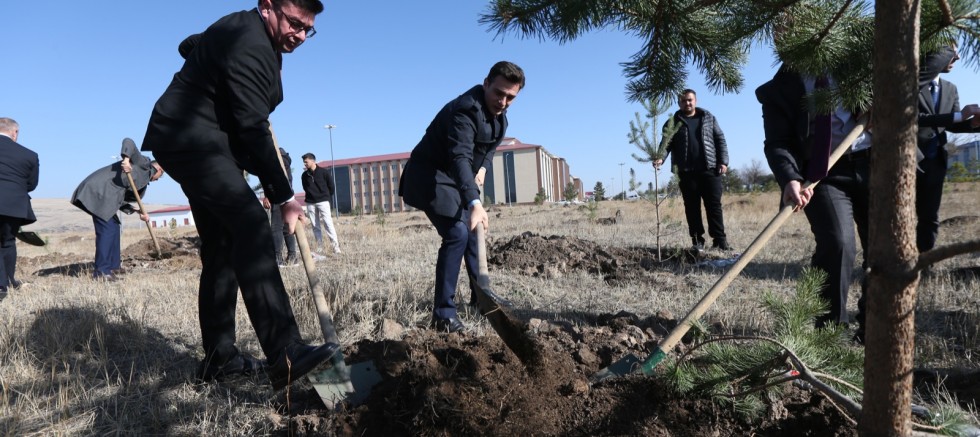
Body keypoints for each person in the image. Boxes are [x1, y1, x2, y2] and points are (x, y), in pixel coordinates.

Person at [140, 0, 339, 389]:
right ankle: (285, 353)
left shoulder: (242, 35)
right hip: (192, 140)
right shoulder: (250, 41)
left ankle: (220, 360)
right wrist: (284, 196)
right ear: (267, 6)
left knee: (222, 247)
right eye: (294, 23)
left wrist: (206, 54)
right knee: (250, 225)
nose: (300, 35)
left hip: (197, 142)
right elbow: (251, 127)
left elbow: (191, 44)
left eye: (307, 29)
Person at [399, 61, 524, 333]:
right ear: (486, 83)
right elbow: (459, 156)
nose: (503, 102)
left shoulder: (501, 119)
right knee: (457, 232)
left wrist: (483, 169)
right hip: (429, 175)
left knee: (472, 230)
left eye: (511, 97)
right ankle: (443, 315)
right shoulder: (465, 110)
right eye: (499, 93)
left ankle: (481, 297)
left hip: (456, 177)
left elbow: (488, 150)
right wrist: (474, 201)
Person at [756, 67, 873, 332]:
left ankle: (874, 327)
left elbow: (928, 60)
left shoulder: (859, 61)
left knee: (883, 247)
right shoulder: (778, 89)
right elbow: (777, 142)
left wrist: (882, 103)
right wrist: (790, 177)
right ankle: (831, 333)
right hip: (822, 173)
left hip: (875, 159)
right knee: (837, 243)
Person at [916, 45, 980, 252]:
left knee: (930, 217)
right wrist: (960, 115)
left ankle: (924, 261)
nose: (957, 57)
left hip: (936, 160)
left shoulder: (950, 88)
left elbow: (952, 124)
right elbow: (914, 118)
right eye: (950, 51)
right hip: (909, 158)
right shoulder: (911, 85)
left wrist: (973, 124)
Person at [71, 139, 164, 280]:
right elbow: (128, 142)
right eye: (160, 177)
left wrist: (137, 211)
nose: (157, 180)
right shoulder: (143, 163)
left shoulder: (143, 182)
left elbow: (121, 198)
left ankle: (113, 267)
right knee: (107, 230)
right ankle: (101, 272)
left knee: (114, 227)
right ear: (159, 169)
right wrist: (126, 160)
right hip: (98, 191)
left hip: (107, 197)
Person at [657, 89, 731, 251]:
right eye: (683, 101)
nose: (687, 103)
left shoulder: (708, 118)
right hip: (686, 172)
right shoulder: (672, 122)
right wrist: (660, 157)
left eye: (690, 100)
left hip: (710, 169)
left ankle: (720, 241)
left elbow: (720, 139)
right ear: (679, 103)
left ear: (695, 101)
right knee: (692, 207)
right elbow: (666, 143)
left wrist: (723, 161)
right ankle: (697, 241)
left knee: (714, 206)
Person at [0, 118, 39, 300]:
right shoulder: (29, 155)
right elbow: (31, 185)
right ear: (14, 132)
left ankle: (1, 286)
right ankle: (7, 281)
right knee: (8, 242)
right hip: (14, 204)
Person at [262, 147, 299, 266]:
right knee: (286, 227)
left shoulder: (278, 160)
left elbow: (273, 179)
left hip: (279, 196)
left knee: (277, 227)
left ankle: (278, 257)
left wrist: (268, 195)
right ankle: (292, 257)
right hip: (287, 195)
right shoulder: (284, 160)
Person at [300, 153, 341, 255]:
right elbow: (305, 188)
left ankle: (336, 248)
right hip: (310, 202)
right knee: (315, 225)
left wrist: (325, 197)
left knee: (328, 223)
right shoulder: (304, 175)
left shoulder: (324, 172)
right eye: (304, 162)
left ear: (313, 161)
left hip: (323, 201)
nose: (305, 164)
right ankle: (320, 247)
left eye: (306, 162)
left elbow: (331, 187)